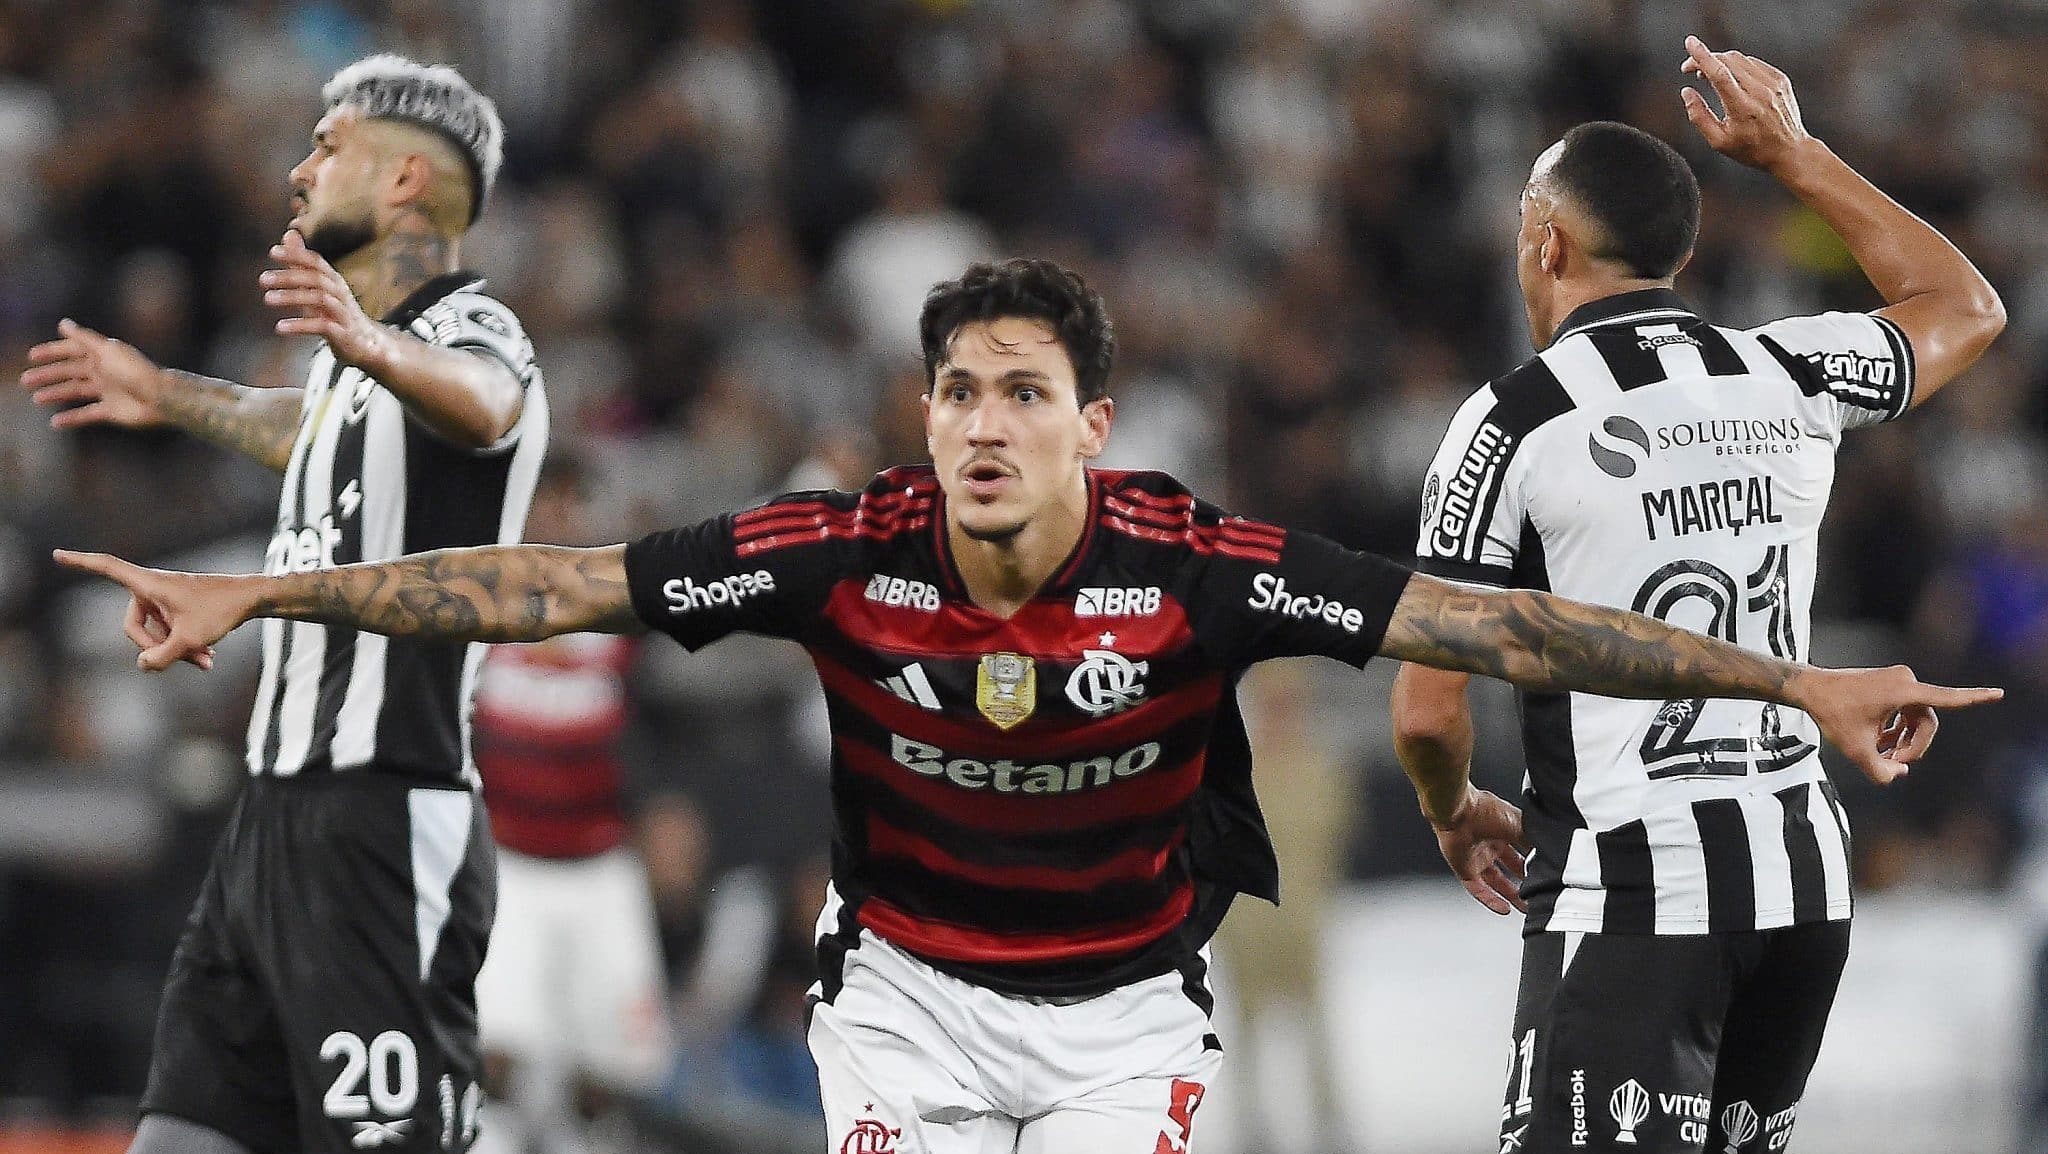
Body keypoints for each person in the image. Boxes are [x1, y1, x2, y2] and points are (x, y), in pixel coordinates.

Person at [57, 258, 1995, 1154]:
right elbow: (540, 583)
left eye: (1015, 393)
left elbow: (1509, 632)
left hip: (1121, 1021)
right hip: (899, 999)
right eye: (954, 393)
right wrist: (264, 590)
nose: (978, 426)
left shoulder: (1198, 560)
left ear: (1092, 422)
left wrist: (1790, 680)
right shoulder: (837, 546)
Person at [1391, 38, 2004, 1154]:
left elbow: (1425, 705)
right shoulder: (1786, 370)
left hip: (1632, 893)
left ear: (1544, 243)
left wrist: (1449, 808)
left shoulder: (1510, 422)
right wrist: (1796, 153)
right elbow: (1962, 307)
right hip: (1799, 891)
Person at [23, 56, 547, 1154]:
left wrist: (365, 339)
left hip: (383, 822)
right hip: (267, 824)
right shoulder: (348, 381)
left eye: (328, 143)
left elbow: (494, 406)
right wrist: (164, 391)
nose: (301, 167)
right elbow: (299, 427)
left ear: (407, 177)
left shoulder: (473, 330)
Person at [465, 453, 669, 1154]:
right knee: (494, 1055)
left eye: (567, 504)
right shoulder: (472, 610)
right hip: (508, 863)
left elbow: (669, 715)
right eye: (540, 504)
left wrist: (669, 809)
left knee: (609, 1072)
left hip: (599, 864)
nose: (554, 518)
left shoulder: (623, 609)